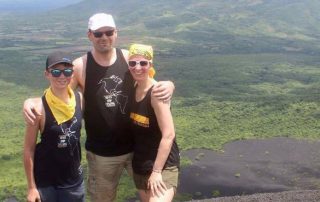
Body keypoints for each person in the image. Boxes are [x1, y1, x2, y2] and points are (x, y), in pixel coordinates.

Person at [23, 13, 175, 201]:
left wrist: (169, 84)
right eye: (98, 34)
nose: (104, 37)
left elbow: (149, 80)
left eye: (109, 32)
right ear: (90, 35)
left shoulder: (128, 59)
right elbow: (60, 96)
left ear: (116, 33)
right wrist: (32, 102)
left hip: (137, 150)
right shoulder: (80, 66)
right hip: (102, 154)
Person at [23, 51, 84, 202]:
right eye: (56, 72)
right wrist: (31, 187)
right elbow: (28, 149)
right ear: (47, 74)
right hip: (47, 184)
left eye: (67, 71)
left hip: (73, 181)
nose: (62, 76)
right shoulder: (38, 108)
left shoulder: (79, 99)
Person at [128, 44, 180, 202]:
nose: (138, 68)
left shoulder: (156, 93)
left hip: (163, 166)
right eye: (133, 63)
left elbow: (169, 135)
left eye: (143, 63)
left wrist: (157, 172)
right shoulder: (132, 88)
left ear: (150, 65)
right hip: (141, 166)